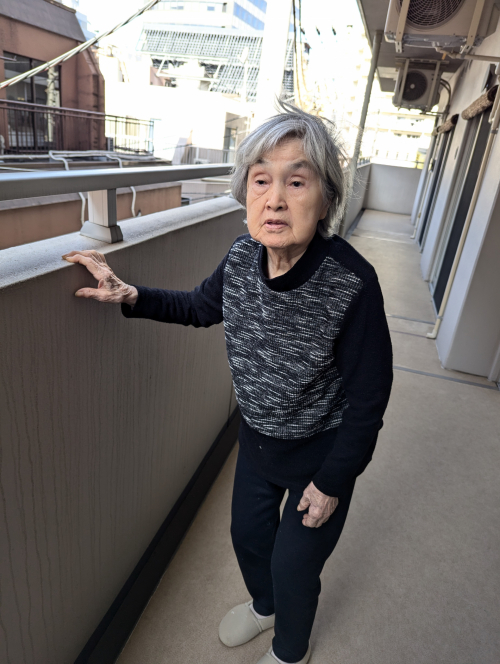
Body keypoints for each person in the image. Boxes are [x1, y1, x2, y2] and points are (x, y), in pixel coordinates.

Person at [62, 102, 393, 664]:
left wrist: (333, 481)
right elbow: (199, 306)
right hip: (258, 444)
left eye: (296, 182)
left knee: (295, 565)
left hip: (320, 455)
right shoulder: (242, 257)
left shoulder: (351, 283)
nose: (275, 199)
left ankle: (290, 651)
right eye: (261, 180)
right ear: (245, 193)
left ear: (327, 199)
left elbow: (369, 398)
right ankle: (265, 607)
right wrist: (130, 294)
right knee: (249, 539)